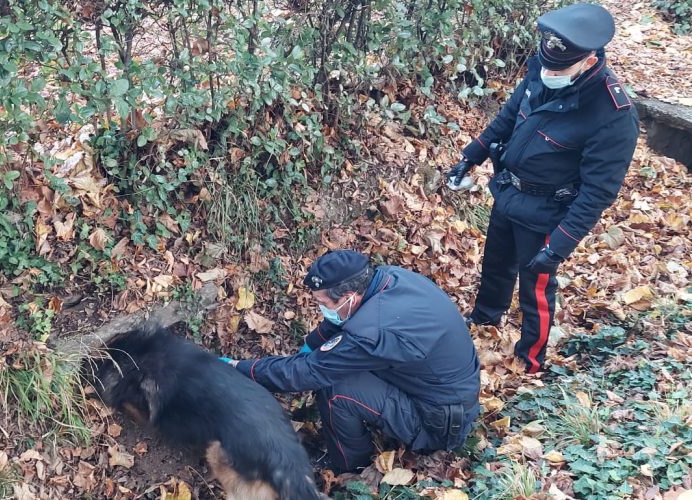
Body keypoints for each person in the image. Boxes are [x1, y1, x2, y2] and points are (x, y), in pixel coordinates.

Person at [447, 3, 640, 374]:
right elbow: (508, 116)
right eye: (546, 64)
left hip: (548, 211)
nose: (549, 72)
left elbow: (598, 191)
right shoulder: (543, 67)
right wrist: (471, 156)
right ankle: (486, 319)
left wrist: (559, 247)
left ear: (588, 60)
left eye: (559, 68)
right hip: (509, 191)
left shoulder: (612, 114)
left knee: (535, 286)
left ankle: (530, 360)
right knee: (496, 265)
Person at [220, 249, 481, 475]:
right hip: (447, 395)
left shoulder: (371, 331)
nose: (319, 307)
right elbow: (343, 319)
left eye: (322, 303)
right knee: (340, 364)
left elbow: (308, 373)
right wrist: (313, 343)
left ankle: (350, 469)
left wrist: (238, 369)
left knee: (335, 388)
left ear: (349, 296)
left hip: (437, 423)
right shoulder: (388, 279)